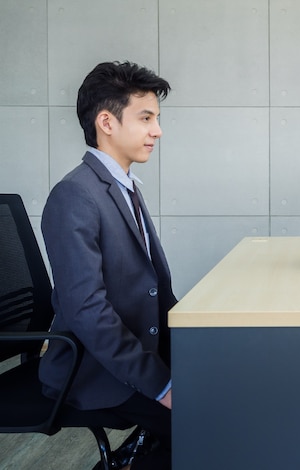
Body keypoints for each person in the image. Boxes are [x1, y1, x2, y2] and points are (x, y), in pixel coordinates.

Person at [39, 61, 177, 469]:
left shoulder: (122, 186)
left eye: (157, 119)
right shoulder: (75, 196)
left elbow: (154, 289)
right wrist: (162, 384)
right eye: (146, 118)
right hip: (95, 373)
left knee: (232, 394)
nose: (157, 130)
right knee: (217, 426)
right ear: (107, 122)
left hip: (138, 351)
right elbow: (87, 311)